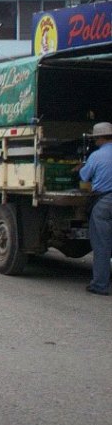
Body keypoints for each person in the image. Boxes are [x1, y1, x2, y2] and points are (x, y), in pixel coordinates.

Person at [78, 121, 112, 295]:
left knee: (102, 245)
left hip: (105, 202)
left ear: (99, 139)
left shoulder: (96, 156)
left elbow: (85, 176)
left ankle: (100, 285)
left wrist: (81, 168)